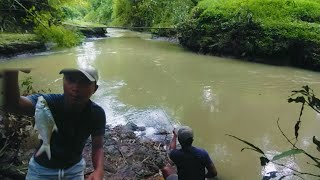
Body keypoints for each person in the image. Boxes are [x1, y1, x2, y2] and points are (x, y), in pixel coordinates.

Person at [3, 67, 106, 180]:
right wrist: (11, 71)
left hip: (74, 171)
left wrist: (98, 170)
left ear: (95, 88)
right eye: (70, 80)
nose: (76, 88)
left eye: (84, 83)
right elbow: (13, 105)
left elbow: (98, 146)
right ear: (63, 82)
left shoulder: (97, 113)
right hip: (40, 171)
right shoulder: (47, 103)